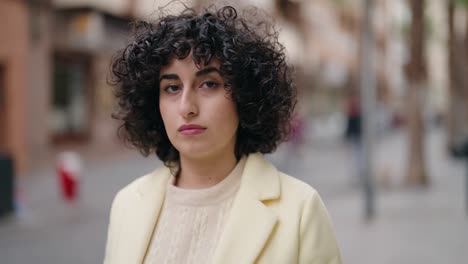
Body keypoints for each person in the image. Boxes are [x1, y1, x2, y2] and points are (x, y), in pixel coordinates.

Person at [104, 5, 341, 264]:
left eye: (208, 84)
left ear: (245, 96)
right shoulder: (126, 204)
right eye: (172, 87)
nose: (186, 107)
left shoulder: (301, 211)